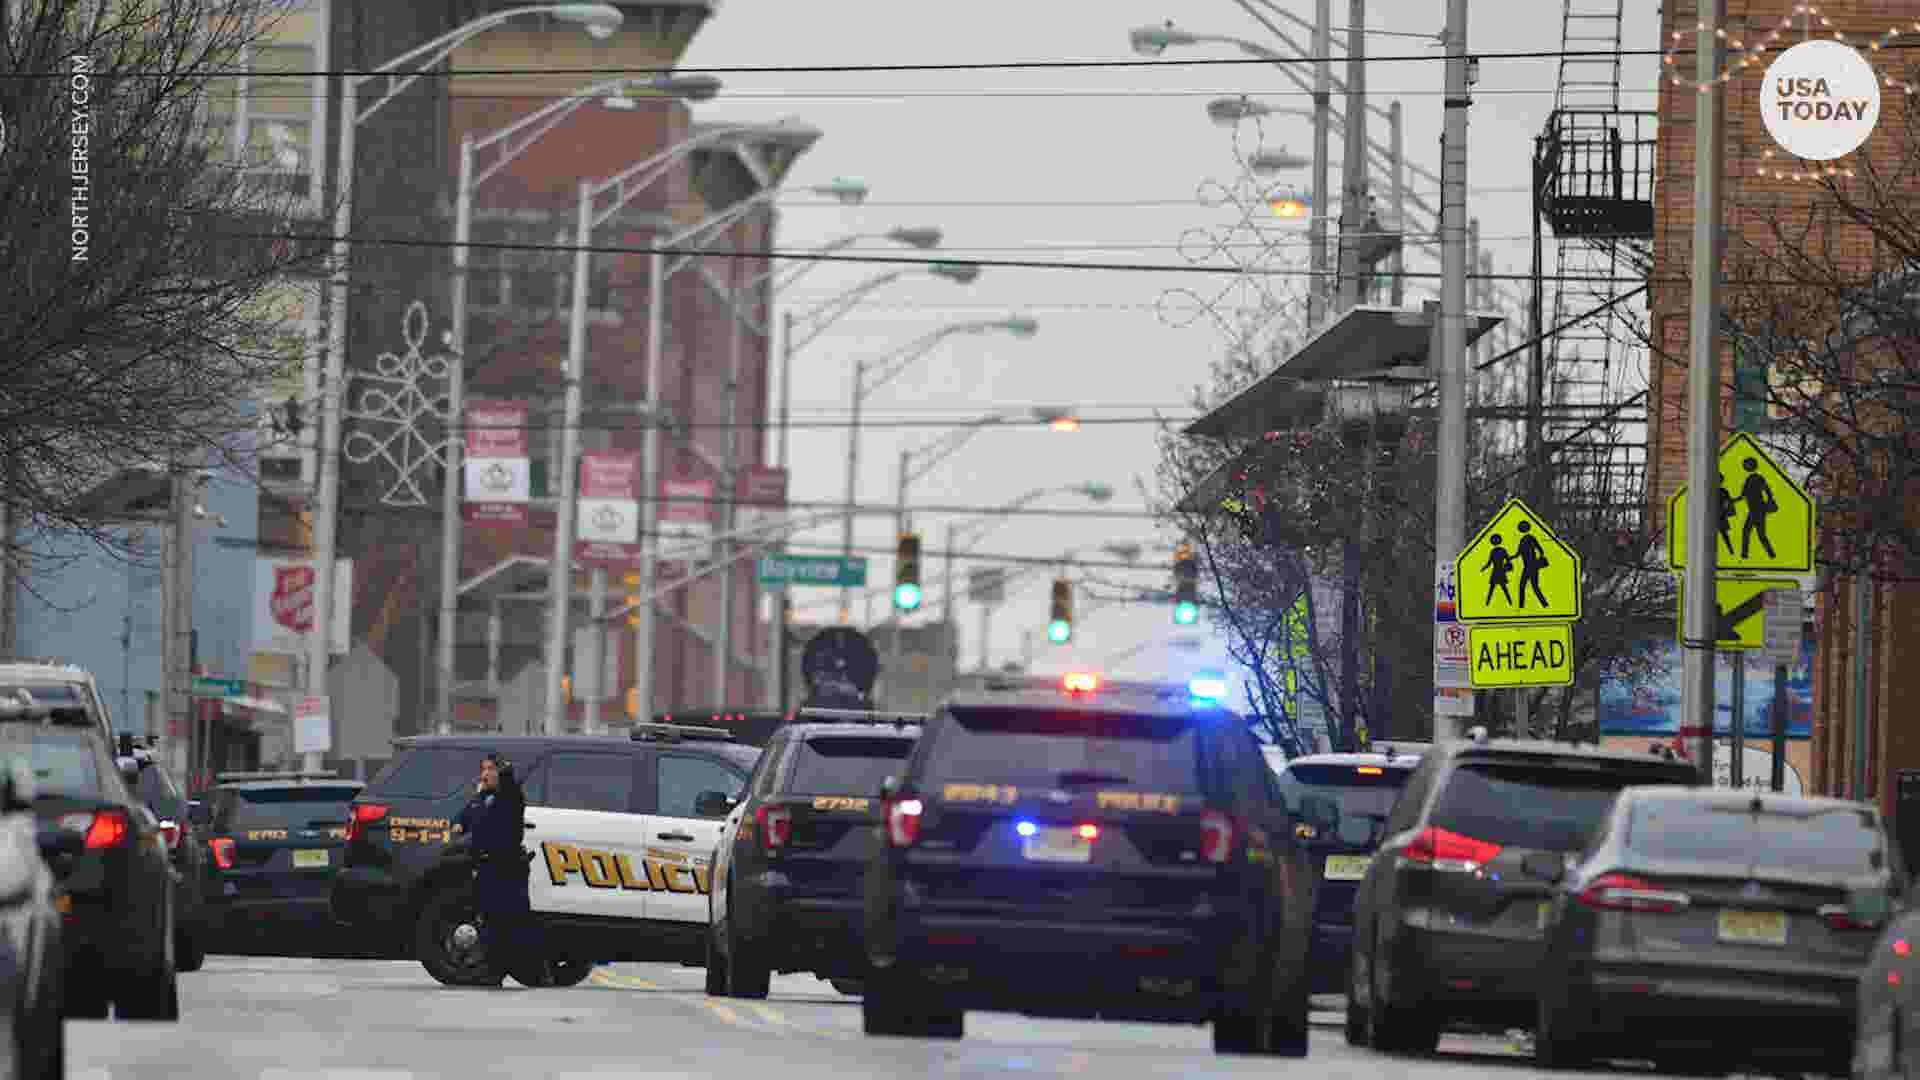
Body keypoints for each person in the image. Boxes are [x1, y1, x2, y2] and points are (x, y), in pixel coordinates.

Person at [454, 753, 549, 987]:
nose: (485, 774)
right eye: (483, 769)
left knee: (514, 924)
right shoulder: (482, 797)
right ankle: (494, 972)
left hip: (507, 867)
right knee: (491, 923)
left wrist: (505, 771)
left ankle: (537, 974)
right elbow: (465, 815)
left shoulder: (510, 796)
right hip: (486, 867)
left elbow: (508, 787)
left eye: (490, 769)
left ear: (501, 773)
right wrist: (457, 824)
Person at [1513, 521, 1550, 610]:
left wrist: (1540, 558)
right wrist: (1509, 558)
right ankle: (1522, 607)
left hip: (1532, 566)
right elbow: (1518, 554)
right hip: (1528, 567)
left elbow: (1540, 549)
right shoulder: (1523, 540)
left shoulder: (1530, 538)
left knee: (1531, 586)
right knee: (1526, 586)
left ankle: (1544, 605)